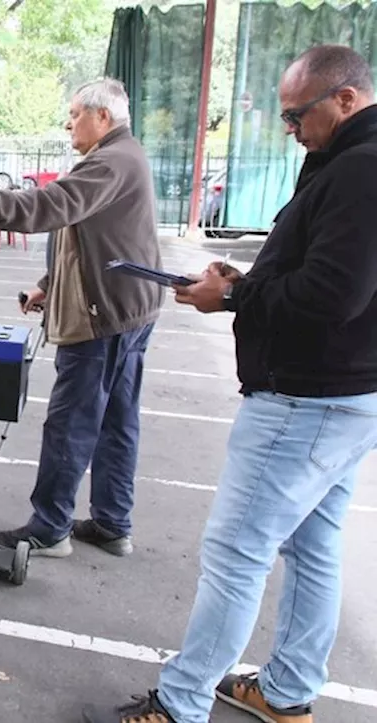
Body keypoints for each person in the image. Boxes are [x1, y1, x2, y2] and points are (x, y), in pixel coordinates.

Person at [83, 44, 377, 723]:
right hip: (343, 394)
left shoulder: (361, 171)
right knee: (311, 544)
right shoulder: (347, 161)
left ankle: (181, 704)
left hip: (306, 395)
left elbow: (332, 294)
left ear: (346, 99)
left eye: (296, 115)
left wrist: (235, 298)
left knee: (237, 551)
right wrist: (246, 282)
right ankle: (285, 688)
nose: (291, 129)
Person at [0, 78, 162, 558]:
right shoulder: (121, 156)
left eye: (76, 113)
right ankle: (111, 522)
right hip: (129, 309)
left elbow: (57, 204)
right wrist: (49, 282)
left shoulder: (111, 160)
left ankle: (50, 527)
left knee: (72, 422)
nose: (68, 122)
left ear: (103, 117)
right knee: (117, 420)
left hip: (106, 317)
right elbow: (84, 232)